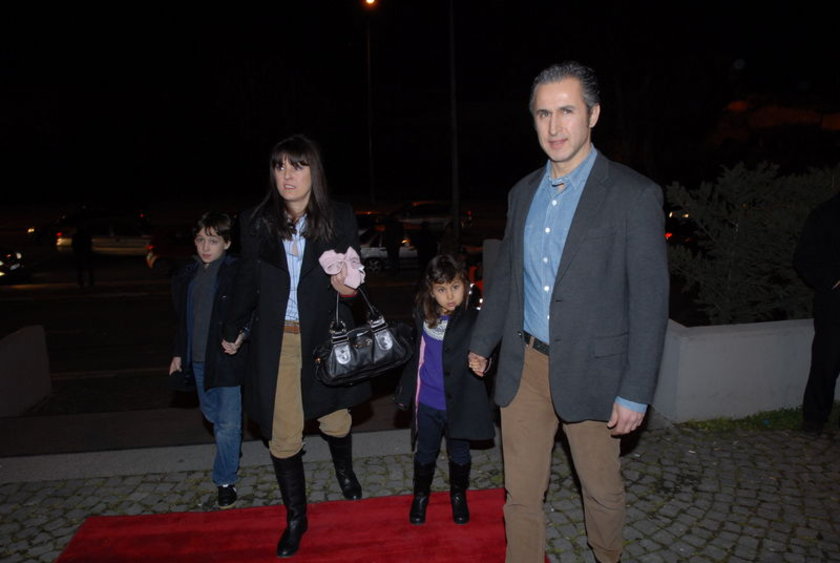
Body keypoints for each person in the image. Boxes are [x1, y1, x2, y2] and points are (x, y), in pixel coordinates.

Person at [467, 61, 669, 563]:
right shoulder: (522, 193)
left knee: (601, 489)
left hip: (595, 370)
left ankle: (607, 556)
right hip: (525, 366)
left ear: (593, 114)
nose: (554, 127)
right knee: (521, 493)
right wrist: (483, 341)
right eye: (543, 114)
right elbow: (507, 275)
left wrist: (636, 391)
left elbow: (649, 302)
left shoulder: (633, 195)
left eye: (566, 111)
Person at [222, 135, 370, 558]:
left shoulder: (338, 216)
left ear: (313, 171)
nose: (287, 175)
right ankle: (296, 517)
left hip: (325, 337)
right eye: (280, 166)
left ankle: (344, 469)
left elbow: (354, 284)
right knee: (283, 434)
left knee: (335, 420)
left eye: (297, 165)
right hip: (279, 340)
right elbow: (246, 280)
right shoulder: (256, 221)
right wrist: (234, 327)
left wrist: (346, 286)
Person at [394, 254, 494, 526]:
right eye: (441, 289)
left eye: (455, 287)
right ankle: (421, 496)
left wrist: (483, 362)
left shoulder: (474, 318)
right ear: (431, 290)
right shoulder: (422, 315)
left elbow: (489, 351)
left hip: (459, 403)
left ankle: (458, 495)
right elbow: (415, 355)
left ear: (465, 285)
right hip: (428, 401)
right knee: (425, 452)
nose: (450, 296)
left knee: (459, 453)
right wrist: (405, 390)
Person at [169, 211, 246, 509]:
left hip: (225, 358)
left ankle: (225, 481)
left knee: (226, 424)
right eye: (201, 239)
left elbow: (251, 310)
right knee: (213, 415)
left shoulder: (235, 272)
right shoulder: (187, 274)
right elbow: (182, 320)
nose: (205, 247)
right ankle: (231, 445)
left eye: (213, 241)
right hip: (197, 359)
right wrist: (179, 353)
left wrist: (241, 335)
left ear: (227, 243)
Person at [793, 192, 840, 435]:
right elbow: (804, 257)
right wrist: (833, 281)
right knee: (826, 361)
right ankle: (814, 419)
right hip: (835, 306)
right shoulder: (825, 213)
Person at [71, 222, 94, 288]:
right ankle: (89, 282)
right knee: (87, 268)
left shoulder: (76, 236)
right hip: (85, 252)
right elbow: (89, 243)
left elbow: (73, 245)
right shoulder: (86, 235)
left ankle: (81, 282)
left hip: (80, 253)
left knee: (80, 269)